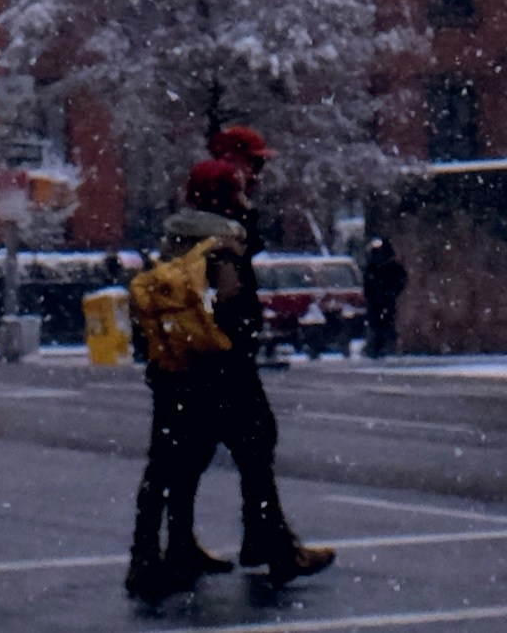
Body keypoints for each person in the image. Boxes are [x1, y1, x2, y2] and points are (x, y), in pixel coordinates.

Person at [126, 154, 333, 601]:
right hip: (223, 373)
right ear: (226, 197)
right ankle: (276, 549)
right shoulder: (222, 248)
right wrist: (243, 335)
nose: (245, 196)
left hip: (174, 372)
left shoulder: (176, 239)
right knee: (256, 452)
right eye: (238, 189)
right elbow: (233, 314)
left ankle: (154, 554)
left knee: (168, 464)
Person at [361, 232, 407, 360]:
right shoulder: (373, 267)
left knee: (386, 322)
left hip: (386, 298)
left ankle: (384, 346)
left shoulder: (391, 267)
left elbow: (400, 278)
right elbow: (367, 281)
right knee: (376, 323)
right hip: (376, 299)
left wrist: (391, 292)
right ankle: (377, 347)